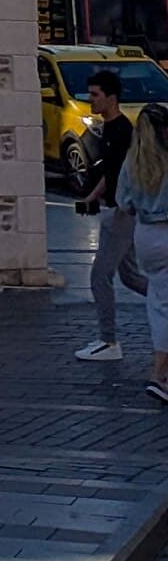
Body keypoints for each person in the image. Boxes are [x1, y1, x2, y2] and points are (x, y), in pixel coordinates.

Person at [75, 69, 136, 360]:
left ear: (111, 98)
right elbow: (112, 173)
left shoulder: (123, 131)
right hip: (115, 209)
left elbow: (131, 173)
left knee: (100, 276)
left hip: (121, 213)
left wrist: (123, 207)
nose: (90, 100)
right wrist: (91, 196)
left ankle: (109, 342)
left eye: (95, 94)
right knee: (132, 276)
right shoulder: (109, 130)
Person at [114, 99, 168, 403]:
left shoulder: (133, 162)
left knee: (160, 302)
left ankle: (161, 374)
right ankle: (159, 374)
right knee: (163, 306)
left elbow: (124, 202)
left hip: (146, 235)